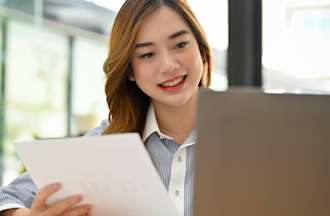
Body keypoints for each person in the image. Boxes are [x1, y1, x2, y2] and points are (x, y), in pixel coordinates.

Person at [0, 0, 213, 215]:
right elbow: (6, 197)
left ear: (201, 49)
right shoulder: (106, 142)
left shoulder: (243, 136)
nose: (168, 66)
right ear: (130, 70)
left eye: (180, 45)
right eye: (147, 54)